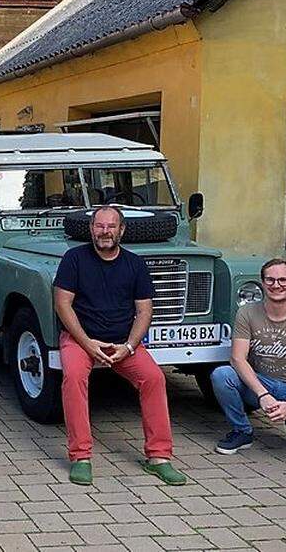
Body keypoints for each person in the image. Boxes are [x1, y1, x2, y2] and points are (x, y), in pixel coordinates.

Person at [54, 206, 187, 487]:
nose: (104, 231)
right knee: (74, 377)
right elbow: (62, 304)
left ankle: (159, 457)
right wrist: (87, 343)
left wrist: (128, 346)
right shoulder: (73, 259)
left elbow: (145, 311)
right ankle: (81, 457)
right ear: (91, 230)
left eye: (110, 226)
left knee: (154, 378)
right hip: (80, 339)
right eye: (99, 226)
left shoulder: (135, 264)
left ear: (122, 230)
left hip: (121, 342)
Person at [211, 258, 286, 455]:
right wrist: (263, 394)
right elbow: (237, 359)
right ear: (263, 283)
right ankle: (242, 430)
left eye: (283, 280)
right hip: (259, 382)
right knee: (222, 375)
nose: (277, 285)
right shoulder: (246, 313)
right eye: (270, 280)